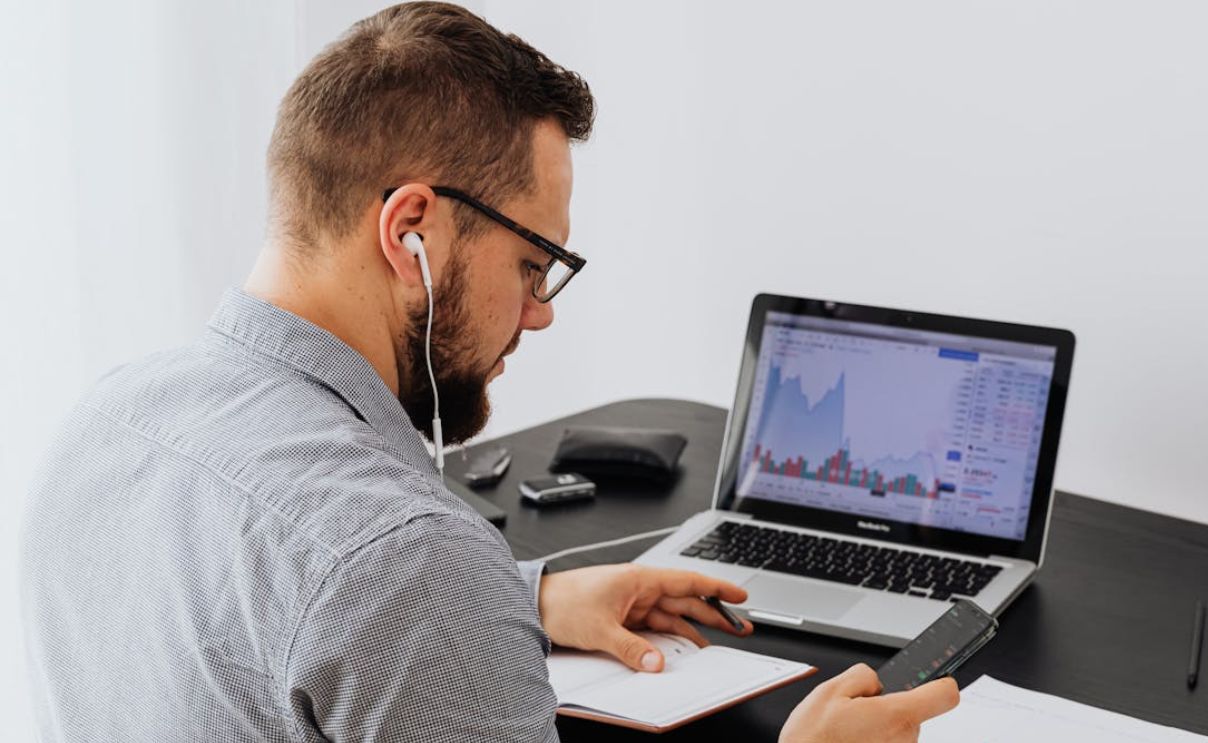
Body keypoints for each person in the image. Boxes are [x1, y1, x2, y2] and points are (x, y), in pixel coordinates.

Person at [20, 3, 958, 741]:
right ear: (411, 232)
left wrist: (525, 595)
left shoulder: (106, 421)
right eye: (531, 262)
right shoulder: (403, 558)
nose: (542, 308)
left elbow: (271, 625)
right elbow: (370, 582)